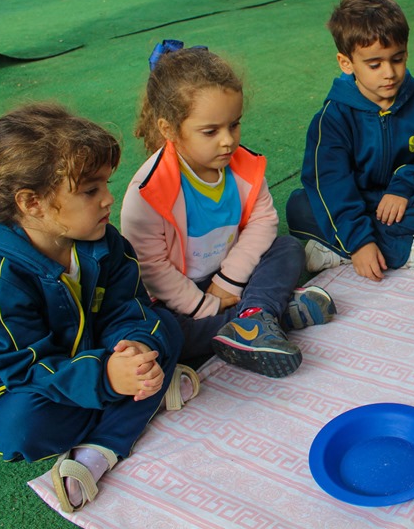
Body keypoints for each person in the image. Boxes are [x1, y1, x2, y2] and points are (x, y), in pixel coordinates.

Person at [0, 104, 185, 514]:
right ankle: (131, 414)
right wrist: (107, 377)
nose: (108, 199)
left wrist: (134, 346)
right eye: (91, 190)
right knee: (22, 429)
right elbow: (25, 370)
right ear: (32, 202)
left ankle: (102, 443)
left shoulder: (101, 240)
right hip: (16, 387)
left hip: (92, 356)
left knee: (163, 329)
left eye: (105, 184)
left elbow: (127, 305)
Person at [121, 41, 336, 379]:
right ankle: (268, 315)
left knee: (286, 248)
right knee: (161, 329)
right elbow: (151, 268)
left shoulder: (244, 167)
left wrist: (229, 283)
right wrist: (203, 304)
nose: (228, 141)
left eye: (234, 125)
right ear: (169, 130)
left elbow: (264, 221)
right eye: (210, 131)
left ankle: (256, 317)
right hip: (180, 296)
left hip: (230, 276)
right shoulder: (147, 192)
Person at [286, 0, 414, 282]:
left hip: (400, 201)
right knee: (301, 206)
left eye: (397, 59)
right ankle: (401, 251)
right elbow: (331, 183)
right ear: (347, 63)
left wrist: (403, 185)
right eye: (374, 64)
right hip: (352, 198)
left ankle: (335, 248)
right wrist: (360, 242)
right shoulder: (332, 119)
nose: (389, 73)